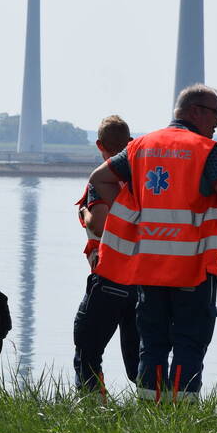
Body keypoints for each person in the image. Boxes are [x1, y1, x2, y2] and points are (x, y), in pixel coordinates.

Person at [90, 84, 217, 402]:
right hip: (193, 267)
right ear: (196, 111)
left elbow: (99, 178)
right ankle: (183, 416)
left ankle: (149, 411)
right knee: (190, 339)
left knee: (152, 341)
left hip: (149, 266)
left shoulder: (140, 146)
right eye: (216, 113)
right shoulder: (205, 150)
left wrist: (131, 214)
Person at [73, 115, 139, 393]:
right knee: (140, 360)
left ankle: (92, 408)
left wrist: (84, 213)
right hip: (141, 281)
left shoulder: (100, 180)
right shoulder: (142, 184)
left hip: (109, 277)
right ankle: (157, 412)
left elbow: (99, 222)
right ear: (131, 142)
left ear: (100, 144)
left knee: (87, 350)